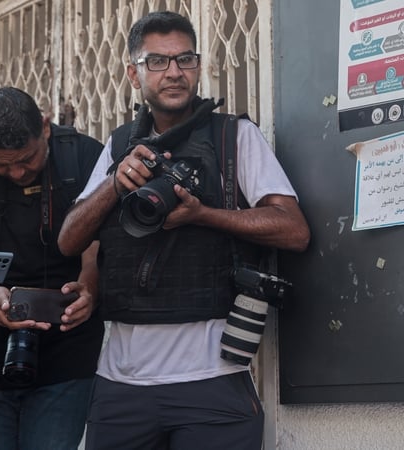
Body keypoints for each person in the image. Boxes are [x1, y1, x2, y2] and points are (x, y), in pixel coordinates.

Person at [57, 11, 310, 450]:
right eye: (157, 61)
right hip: (121, 385)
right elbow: (71, 240)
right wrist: (115, 184)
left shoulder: (234, 137)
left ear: (198, 66)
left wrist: (203, 214)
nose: (174, 72)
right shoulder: (119, 146)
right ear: (133, 74)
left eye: (185, 59)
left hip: (212, 379)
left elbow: (294, 230)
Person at [0, 86, 105, 450]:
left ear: (44, 126)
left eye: (27, 159)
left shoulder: (83, 155)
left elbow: (95, 245)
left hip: (68, 345)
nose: (16, 172)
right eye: (1, 164)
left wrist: (88, 288)